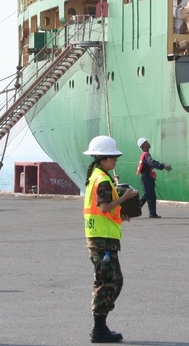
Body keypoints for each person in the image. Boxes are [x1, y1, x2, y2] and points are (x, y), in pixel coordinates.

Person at [82, 135, 138, 343]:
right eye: (113, 157)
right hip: (103, 240)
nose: (115, 160)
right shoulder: (103, 180)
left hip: (100, 237)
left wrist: (120, 214)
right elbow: (104, 207)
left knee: (108, 281)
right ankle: (99, 328)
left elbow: (103, 210)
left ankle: (100, 326)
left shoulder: (96, 176)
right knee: (109, 282)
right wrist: (125, 198)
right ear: (103, 158)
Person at [136, 138, 171, 218]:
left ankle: (150, 213)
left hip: (147, 178)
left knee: (149, 196)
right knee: (149, 196)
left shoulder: (145, 154)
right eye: (146, 142)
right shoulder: (146, 155)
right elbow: (152, 162)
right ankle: (133, 210)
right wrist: (163, 166)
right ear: (143, 145)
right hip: (147, 179)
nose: (148, 143)